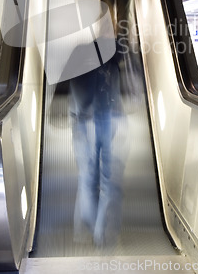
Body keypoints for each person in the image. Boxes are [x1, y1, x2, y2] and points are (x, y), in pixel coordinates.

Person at [70, 45, 128, 248]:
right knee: (98, 178)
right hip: (97, 118)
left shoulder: (99, 51)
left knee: (95, 178)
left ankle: (95, 231)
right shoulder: (97, 50)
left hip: (97, 118)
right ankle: (96, 232)